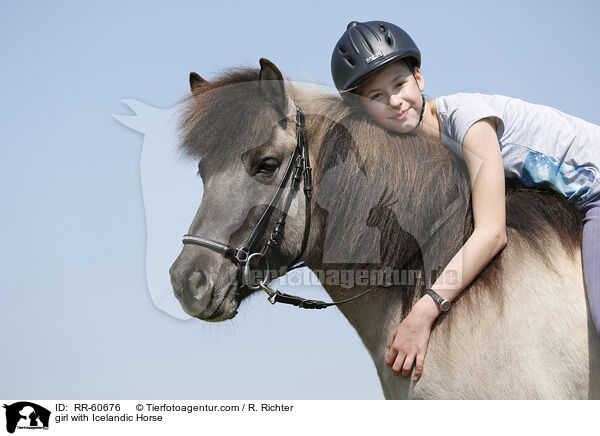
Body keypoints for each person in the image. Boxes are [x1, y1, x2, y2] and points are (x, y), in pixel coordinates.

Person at [331, 20, 600, 382]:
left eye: (399, 84)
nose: (394, 100)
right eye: (376, 96)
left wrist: (423, 312)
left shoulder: (468, 122)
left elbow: (492, 233)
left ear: (419, 79)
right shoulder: (431, 155)